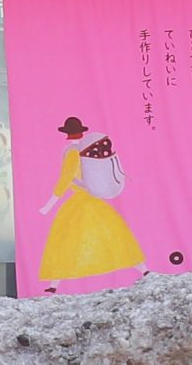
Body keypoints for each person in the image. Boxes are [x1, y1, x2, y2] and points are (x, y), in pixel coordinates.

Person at [38, 116, 145, 286]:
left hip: (80, 202)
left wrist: (49, 204)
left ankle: (54, 284)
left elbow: (66, 179)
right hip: (94, 200)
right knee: (115, 235)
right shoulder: (89, 149)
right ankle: (143, 269)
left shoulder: (72, 152)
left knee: (65, 241)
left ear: (67, 133)